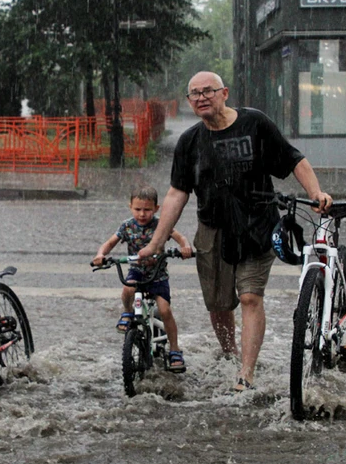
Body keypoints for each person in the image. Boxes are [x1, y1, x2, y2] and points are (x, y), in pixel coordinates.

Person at [138, 71, 332, 393]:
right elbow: (176, 194)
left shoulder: (254, 124)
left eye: (208, 91)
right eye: (194, 94)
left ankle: (246, 373)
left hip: (257, 226)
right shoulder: (189, 142)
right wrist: (155, 243)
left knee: (250, 297)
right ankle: (229, 354)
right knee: (219, 305)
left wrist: (316, 194)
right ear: (189, 101)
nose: (201, 98)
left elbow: (293, 159)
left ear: (224, 93)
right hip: (212, 231)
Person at [92, 185, 194, 373]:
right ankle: (127, 312)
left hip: (158, 275)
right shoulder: (127, 226)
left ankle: (174, 349)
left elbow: (181, 238)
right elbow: (109, 243)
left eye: (147, 209)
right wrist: (100, 255)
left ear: (156, 209)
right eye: (138, 209)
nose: (142, 214)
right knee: (127, 289)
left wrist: (185, 247)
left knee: (165, 310)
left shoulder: (161, 225)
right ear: (130, 207)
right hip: (137, 271)